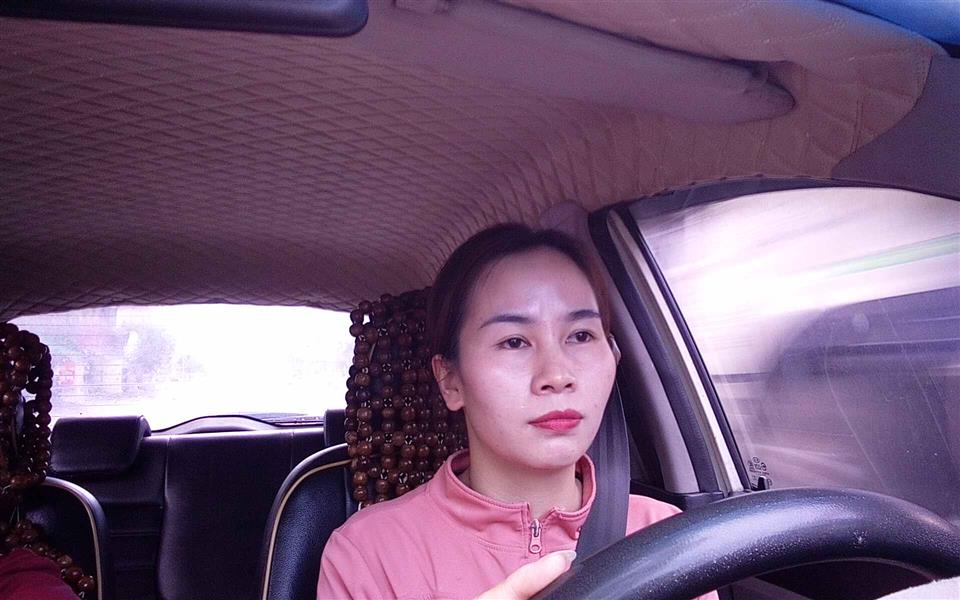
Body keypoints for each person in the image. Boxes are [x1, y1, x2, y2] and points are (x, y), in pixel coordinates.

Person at [317, 224, 718, 600]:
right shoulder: (368, 556)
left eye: (581, 335)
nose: (557, 375)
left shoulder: (665, 537)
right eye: (513, 342)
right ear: (450, 380)